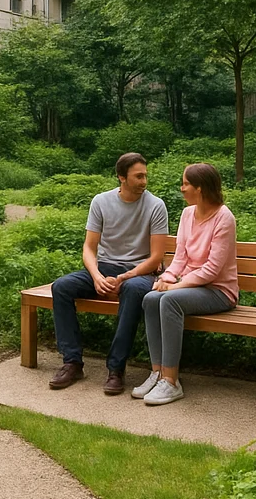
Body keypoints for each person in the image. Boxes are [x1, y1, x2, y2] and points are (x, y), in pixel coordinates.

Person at [48, 152, 170, 394]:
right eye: (138, 176)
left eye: (145, 175)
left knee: (134, 291)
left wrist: (125, 277)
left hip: (139, 272)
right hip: (104, 268)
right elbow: (89, 248)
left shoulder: (156, 206)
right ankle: (72, 362)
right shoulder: (101, 202)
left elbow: (156, 257)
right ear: (121, 178)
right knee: (61, 287)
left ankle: (116, 369)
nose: (144, 181)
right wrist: (96, 277)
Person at [135, 162, 238, 406]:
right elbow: (180, 257)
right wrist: (166, 279)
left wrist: (174, 288)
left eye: (186, 184)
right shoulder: (187, 214)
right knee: (150, 298)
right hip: (192, 288)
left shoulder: (224, 218)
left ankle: (171, 382)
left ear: (200, 188)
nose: (181, 189)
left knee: (170, 301)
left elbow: (212, 271)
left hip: (219, 291)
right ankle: (158, 373)